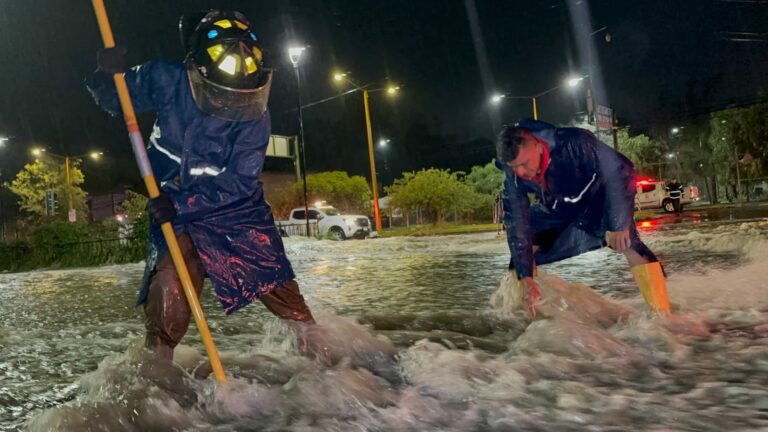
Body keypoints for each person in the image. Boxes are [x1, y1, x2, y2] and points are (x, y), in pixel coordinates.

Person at [86, 10, 316, 361]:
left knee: (278, 287)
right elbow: (118, 100)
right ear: (195, 70)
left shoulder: (256, 115)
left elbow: (240, 180)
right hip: (171, 203)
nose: (228, 103)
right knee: (170, 288)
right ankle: (157, 369)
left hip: (235, 210)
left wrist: (185, 205)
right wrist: (108, 74)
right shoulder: (164, 78)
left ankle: (324, 352)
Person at [496, 119, 670, 317]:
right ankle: (530, 320)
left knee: (628, 244)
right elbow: (517, 224)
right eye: (514, 166)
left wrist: (619, 223)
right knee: (520, 261)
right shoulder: (514, 176)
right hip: (558, 209)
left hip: (599, 201)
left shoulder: (575, 142)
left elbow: (621, 170)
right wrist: (526, 277)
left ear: (538, 146)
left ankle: (663, 316)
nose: (520, 172)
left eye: (525, 164)